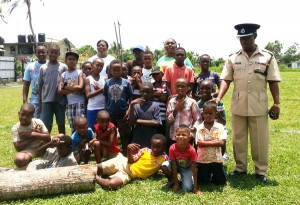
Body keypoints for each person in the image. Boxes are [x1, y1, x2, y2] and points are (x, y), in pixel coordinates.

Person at [214, 23, 281, 183]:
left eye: (247, 38)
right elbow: (226, 80)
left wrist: (276, 104)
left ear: (255, 37)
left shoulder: (267, 56)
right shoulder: (233, 57)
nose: (243, 41)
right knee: (239, 138)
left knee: (260, 140)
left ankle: (261, 171)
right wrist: (218, 98)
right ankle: (240, 168)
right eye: (241, 38)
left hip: (259, 104)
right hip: (239, 103)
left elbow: (273, 81)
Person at [95, 134, 167, 190]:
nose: (155, 149)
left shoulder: (164, 159)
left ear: (164, 147)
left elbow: (168, 170)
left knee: (111, 185)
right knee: (97, 168)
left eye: (158, 147)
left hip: (129, 175)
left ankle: (96, 178)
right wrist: (129, 150)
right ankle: (92, 171)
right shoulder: (145, 151)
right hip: (123, 163)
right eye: (153, 146)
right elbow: (131, 161)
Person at [103, 59, 133, 155]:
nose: (116, 72)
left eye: (118, 70)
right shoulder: (107, 83)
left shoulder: (126, 83)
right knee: (111, 134)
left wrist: (129, 110)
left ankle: (125, 154)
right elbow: (106, 98)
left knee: (124, 136)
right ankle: (112, 153)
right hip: (111, 113)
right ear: (110, 71)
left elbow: (130, 97)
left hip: (123, 114)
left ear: (122, 70)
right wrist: (106, 110)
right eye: (114, 70)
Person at [161, 125, 200, 194]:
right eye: (178, 134)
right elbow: (174, 165)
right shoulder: (172, 148)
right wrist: (176, 184)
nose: (181, 136)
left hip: (187, 169)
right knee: (164, 165)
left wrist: (195, 188)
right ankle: (173, 181)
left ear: (189, 138)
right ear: (175, 137)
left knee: (187, 188)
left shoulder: (192, 150)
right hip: (176, 166)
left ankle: (190, 179)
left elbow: (194, 169)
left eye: (184, 135)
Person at [38, 43, 68, 134]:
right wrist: (40, 102)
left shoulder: (63, 67)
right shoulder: (43, 68)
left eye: (56, 53)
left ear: (59, 54)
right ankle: (46, 143)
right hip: (46, 101)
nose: (53, 55)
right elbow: (40, 85)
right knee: (47, 125)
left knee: (61, 124)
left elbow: (67, 83)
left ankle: (63, 145)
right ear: (47, 53)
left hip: (60, 100)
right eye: (51, 52)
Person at [195, 102, 227, 185]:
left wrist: (205, 142)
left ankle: (216, 174)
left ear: (216, 114)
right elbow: (199, 143)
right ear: (202, 114)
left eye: (210, 113)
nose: (208, 115)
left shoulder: (220, 127)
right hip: (203, 160)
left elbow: (222, 142)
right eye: (206, 113)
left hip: (216, 160)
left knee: (220, 182)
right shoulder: (199, 128)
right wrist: (215, 141)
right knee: (203, 182)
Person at [11, 103, 51, 168]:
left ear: (32, 116)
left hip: (43, 145)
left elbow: (48, 138)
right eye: (22, 114)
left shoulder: (38, 122)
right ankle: (29, 162)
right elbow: (18, 148)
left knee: (61, 137)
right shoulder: (16, 128)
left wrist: (33, 134)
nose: (24, 117)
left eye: (28, 115)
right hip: (29, 149)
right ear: (19, 113)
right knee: (19, 160)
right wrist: (32, 136)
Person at [197, 80, 228, 160]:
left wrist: (217, 114)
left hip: (217, 127)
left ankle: (221, 157)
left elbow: (223, 123)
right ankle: (200, 157)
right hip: (204, 127)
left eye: (208, 88)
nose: (204, 90)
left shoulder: (219, 103)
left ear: (213, 90)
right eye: (202, 88)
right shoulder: (198, 104)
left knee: (223, 132)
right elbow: (199, 121)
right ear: (199, 89)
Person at [58, 51, 85, 133]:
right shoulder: (63, 75)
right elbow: (59, 90)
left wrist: (65, 87)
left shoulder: (79, 72)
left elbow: (80, 87)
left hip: (80, 103)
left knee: (81, 125)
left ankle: (83, 144)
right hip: (69, 104)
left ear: (76, 62)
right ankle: (74, 144)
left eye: (74, 59)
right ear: (65, 61)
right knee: (72, 125)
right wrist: (73, 89)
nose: (72, 61)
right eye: (69, 59)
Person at [166, 78, 201, 142]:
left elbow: (198, 118)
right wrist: (176, 110)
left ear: (187, 88)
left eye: (183, 86)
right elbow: (168, 121)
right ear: (175, 87)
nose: (180, 88)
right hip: (174, 136)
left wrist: (194, 127)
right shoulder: (171, 102)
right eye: (178, 86)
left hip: (187, 137)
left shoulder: (192, 102)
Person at [129, 82, 161, 148]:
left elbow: (156, 122)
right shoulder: (135, 105)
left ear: (152, 93)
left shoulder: (155, 105)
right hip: (138, 136)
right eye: (143, 92)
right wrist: (131, 105)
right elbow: (131, 122)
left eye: (148, 92)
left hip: (151, 136)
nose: (145, 94)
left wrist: (137, 121)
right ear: (140, 92)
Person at [22, 45, 47, 119]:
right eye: (38, 52)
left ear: (47, 53)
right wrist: (24, 100)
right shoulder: (30, 67)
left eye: (43, 52)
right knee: (34, 120)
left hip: (47, 97)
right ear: (35, 53)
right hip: (35, 98)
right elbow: (26, 84)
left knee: (46, 122)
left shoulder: (50, 65)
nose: (41, 54)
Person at [85, 58, 106, 129]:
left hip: (103, 108)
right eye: (97, 65)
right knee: (91, 128)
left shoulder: (104, 79)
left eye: (101, 66)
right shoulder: (88, 79)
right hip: (92, 108)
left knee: (102, 129)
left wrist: (100, 89)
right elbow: (88, 95)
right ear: (92, 65)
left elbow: (106, 93)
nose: (99, 67)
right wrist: (100, 90)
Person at [151, 66, 169, 136]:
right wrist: (156, 94)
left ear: (162, 74)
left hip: (163, 114)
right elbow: (148, 97)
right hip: (153, 115)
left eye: (157, 74)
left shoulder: (166, 85)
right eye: (153, 75)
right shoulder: (152, 85)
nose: (155, 76)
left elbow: (165, 98)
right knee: (153, 133)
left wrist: (153, 95)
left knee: (161, 134)